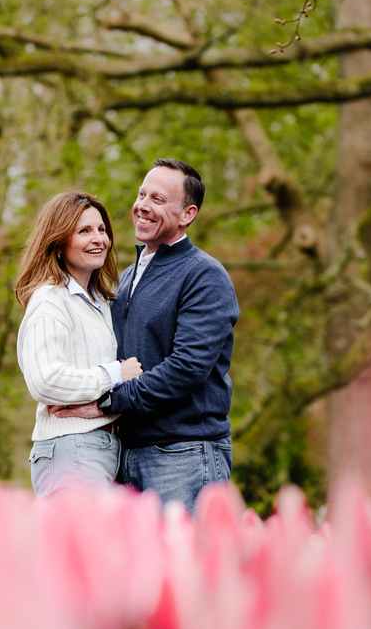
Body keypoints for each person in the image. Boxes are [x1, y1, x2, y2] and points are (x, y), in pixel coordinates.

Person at [52, 159, 239, 514]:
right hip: (126, 454)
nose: (143, 206)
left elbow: (186, 369)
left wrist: (107, 403)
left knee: (184, 568)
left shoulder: (204, 276)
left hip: (184, 455)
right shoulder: (125, 279)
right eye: (142, 194)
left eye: (158, 199)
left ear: (187, 214)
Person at [15, 191, 143, 498]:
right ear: (59, 242)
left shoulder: (101, 301)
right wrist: (113, 375)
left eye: (101, 230)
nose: (98, 239)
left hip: (102, 449)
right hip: (72, 451)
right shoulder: (50, 300)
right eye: (83, 231)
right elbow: (45, 381)